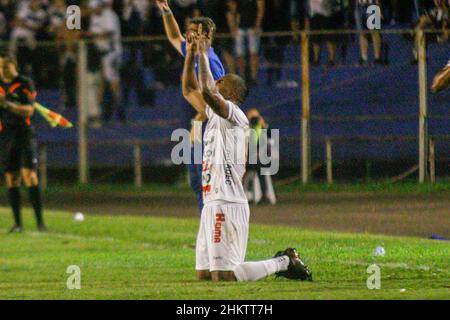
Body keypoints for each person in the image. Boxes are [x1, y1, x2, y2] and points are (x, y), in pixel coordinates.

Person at [182, 28, 312, 282]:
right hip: (212, 202)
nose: (216, 83)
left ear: (230, 95)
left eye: (222, 82)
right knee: (204, 275)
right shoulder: (213, 113)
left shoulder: (234, 113)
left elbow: (208, 91)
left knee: (227, 276)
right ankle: (283, 261)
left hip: (227, 202)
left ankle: (284, 261)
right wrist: (189, 54)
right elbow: (189, 90)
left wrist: (204, 53)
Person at [156, 0, 225, 213]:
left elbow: (216, 106)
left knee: (208, 187)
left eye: (195, 32)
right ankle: (205, 229)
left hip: (208, 132)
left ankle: (215, 230)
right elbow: (174, 37)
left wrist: (197, 120)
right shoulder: (191, 52)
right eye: (190, 31)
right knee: (196, 184)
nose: (189, 36)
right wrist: (167, 11)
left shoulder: (211, 63)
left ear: (207, 36)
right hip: (197, 130)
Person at [0, 56, 46, 233]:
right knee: (11, 178)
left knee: (30, 175)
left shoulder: (24, 83)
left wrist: (7, 104)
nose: (2, 69)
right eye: (0, 66)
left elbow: (29, 109)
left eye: (5, 65)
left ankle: (40, 222)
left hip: (24, 134)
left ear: (14, 65)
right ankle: (18, 224)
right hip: (5, 136)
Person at [244, 108, 277, 205]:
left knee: (261, 169)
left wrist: (264, 125)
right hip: (247, 158)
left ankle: (264, 195)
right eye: (252, 117)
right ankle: (248, 195)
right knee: (245, 172)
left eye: (256, 117)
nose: (254, 119)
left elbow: (272, 137)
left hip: (261, 158)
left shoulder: (262, 127)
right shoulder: (245, 127)